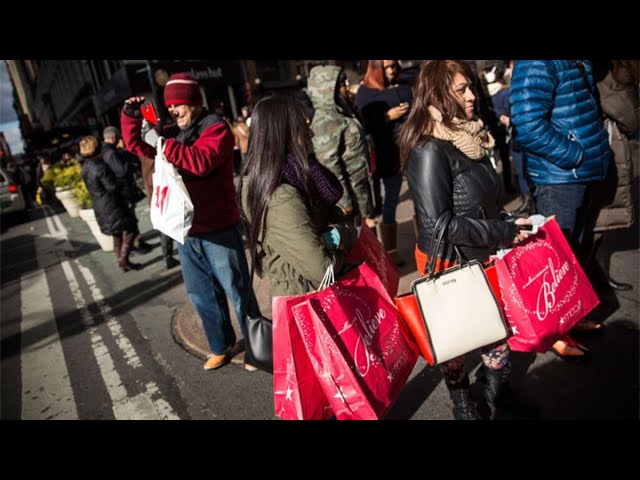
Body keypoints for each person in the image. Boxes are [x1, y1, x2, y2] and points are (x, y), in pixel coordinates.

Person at [398, 60, 537, 420]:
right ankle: (462, 402)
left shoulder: (470, 136)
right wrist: (502, 231)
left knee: (496, 332)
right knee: (456, 338)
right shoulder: (428, 148)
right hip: (449, 258)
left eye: (470, 87)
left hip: (483, 252)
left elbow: (482, 203)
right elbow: (438, 224)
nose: (472, 96)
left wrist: (508, 220)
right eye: (461, 90)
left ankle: (498, 391)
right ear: (438, 94)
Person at [120, 72, 261, 371]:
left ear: (195, 103)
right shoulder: (173, 131)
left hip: (219, 228)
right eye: (169, 105)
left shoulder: (216, 128)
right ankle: (220, 346)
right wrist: (131, 119)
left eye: (179, 104)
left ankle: (257, 347)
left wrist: (161, 142)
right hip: (185, 230)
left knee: (237, 290)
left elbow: (201, 161)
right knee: (201, 294)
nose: (173, 110)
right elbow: (138, 146)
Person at [510, 60, 612, 358]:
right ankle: (557, 331)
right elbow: (527, 125)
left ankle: (572, 317)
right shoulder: (536, 62)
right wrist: (573, 154)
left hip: (579, 173)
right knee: (555, 259)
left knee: (574, 252)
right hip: (559, 176)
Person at [240, 94, 358, 299]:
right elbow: (323, 271)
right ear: (283, 135)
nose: (311, 133)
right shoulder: (280, 196)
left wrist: (330, 238)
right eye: (303, 127)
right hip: (309, 303)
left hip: (308, 294)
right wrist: (342, 236)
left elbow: (335, 215)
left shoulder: (292, 178)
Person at [583, 60, 638, 291]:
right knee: (596, 218)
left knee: (598, 218)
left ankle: (595, 275)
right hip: (603, 146)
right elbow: (628, 114)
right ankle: (589, 280)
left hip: (599, 145)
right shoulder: (607, 71)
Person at [355, 60, 412, 264]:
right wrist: (387, 116)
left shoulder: (403, 84)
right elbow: (365, 125)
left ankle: (430, 245)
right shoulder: (365, 92)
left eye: (393, 66)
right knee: (391, 199)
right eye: (386, 67)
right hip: (387, 154)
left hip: (411, 150)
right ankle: (391, 252)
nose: (391, 71)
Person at [307, 65, 376, 229]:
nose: (345, 87)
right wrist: (344, 201)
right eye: (341, 85)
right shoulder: (325, 121)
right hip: (349, 201)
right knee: (359, 243)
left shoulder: (341, 112)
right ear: (327, 90)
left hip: (359, 190)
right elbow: (329, 165)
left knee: (368, 238)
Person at [79, 135, 142, 272]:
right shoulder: (100, 167)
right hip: (112, 204)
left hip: (100, 205)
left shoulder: (85, 168)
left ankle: (122, 261)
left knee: (117, 233)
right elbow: (111, 187)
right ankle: (123, 260)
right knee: (131, 227)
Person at [102, 126, 153, 256]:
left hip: (118, 192)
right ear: (113, 137)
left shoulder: (105, 151)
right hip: (123, 190)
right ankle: (132, 248)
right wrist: (130, 165)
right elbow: (121, 171)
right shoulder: (111, 153)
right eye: (118, 137)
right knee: (129, 222)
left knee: (128, 222)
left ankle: (134, 246)